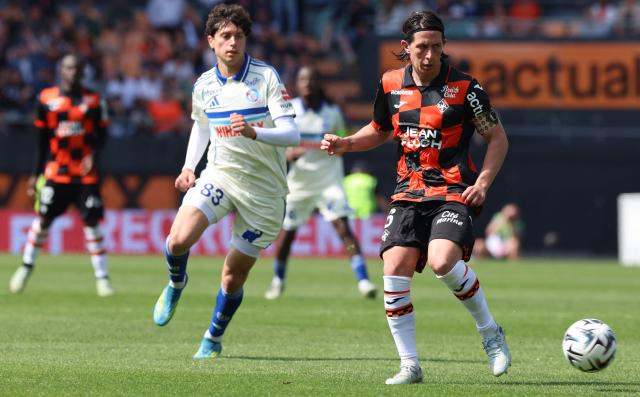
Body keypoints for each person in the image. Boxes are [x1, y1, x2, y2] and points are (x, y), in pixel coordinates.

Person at [321, 11, 511, 384]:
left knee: (442, 262)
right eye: (422, 48)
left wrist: (484, 183)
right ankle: (410, 365)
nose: (429, 56)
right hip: (408, 192)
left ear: (443, 47)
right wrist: (347, 143)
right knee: (393, 268)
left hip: (453, 190)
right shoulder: (390, 84)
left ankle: (490, 332)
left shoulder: (466, 89)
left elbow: (498, 139)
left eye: (436, 47)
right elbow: (379, 130)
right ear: (406, 48)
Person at [152, 4, 300, 359]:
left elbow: (292, 134)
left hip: (264, 191)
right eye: (225, 36)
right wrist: (190, 166)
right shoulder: (203, 84)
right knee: (177, 240)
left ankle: (213, 336)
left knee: (232, 277)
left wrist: (254, 133)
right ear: (211, 42)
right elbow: (201, 125)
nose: (233, 42)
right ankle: (176, 282)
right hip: (220, 174)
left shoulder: (265, 77)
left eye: (239, 36)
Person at [264, 66, 377, 300]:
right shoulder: (289, 110)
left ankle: (364, 280)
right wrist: (288, 154)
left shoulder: (332, 113)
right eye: (303, 79)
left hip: (328, 181)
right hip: (299, 183)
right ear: (297, 83)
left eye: (311, 79)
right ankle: (278, 280)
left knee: (343, 229)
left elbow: (343, 143)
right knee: (287, 236)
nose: (307, 83)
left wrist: (337, 147)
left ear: (318, 83)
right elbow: (276, 146)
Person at [9, 54, 113, 297]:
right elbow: (41, 142)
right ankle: (25, 268)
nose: (73, 72)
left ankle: (102, 279)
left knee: (92, 224)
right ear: (61, 71)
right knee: (43, 220)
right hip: (57, 172)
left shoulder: (95, 100)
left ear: (83, 72)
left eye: (77, 68)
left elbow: (103, 136)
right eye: (68, 68)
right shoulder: (46, 100)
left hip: (85, 175)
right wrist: (35, 175)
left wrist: (93, 155)